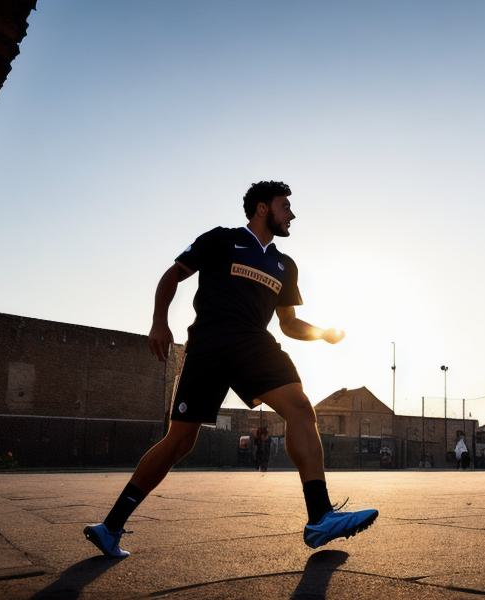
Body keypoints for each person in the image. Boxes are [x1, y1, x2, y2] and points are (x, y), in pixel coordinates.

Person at [84, 181, 379, 558]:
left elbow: (288, 324)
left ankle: (319, 515)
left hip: (255, 344)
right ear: (261, 208)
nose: (292, 214)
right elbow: (172, 275)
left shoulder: (285, 265)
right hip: (208, 344)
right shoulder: (222, 239)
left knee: (301, 409)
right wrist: (159, 322)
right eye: (285, 206)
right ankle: (110, 527)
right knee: (180, 441)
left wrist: (322, 333)